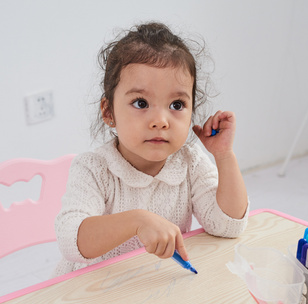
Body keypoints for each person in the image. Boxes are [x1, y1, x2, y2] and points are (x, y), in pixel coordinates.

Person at [54, 22, 249, 276]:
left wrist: (224, 156)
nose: (160, 121)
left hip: (152, 284)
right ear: (108, 111)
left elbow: (228, 225)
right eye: (141, 103)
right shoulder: (94, 169)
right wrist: (138, 221)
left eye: (176, 105)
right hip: (93, 290)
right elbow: (70, 240)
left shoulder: (190, 162)